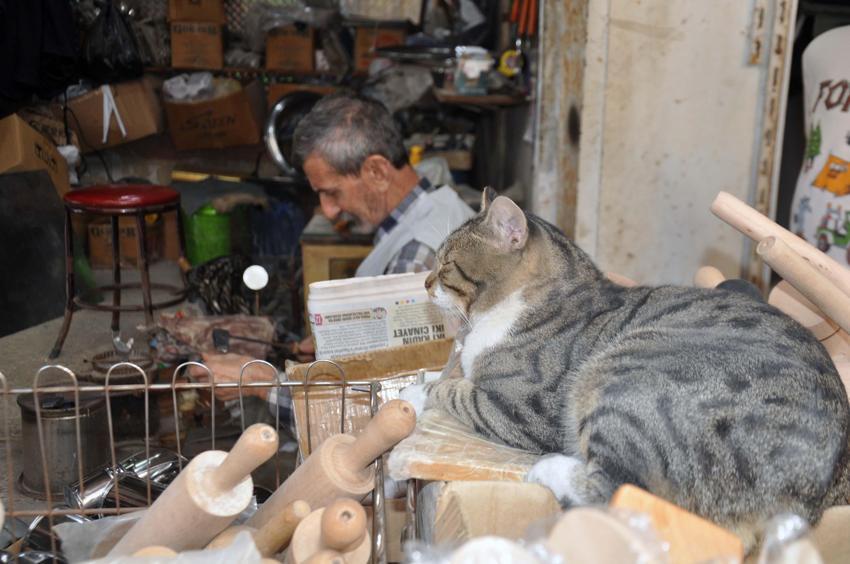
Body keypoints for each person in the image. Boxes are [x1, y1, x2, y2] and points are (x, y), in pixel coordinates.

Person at [194, 93, 474, 409]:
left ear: (378, 172)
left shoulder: (416, 257)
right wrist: (345, 343)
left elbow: (378, 408)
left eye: (332, 192)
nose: (328, 211)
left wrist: (264, 384)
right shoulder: (439, 207)